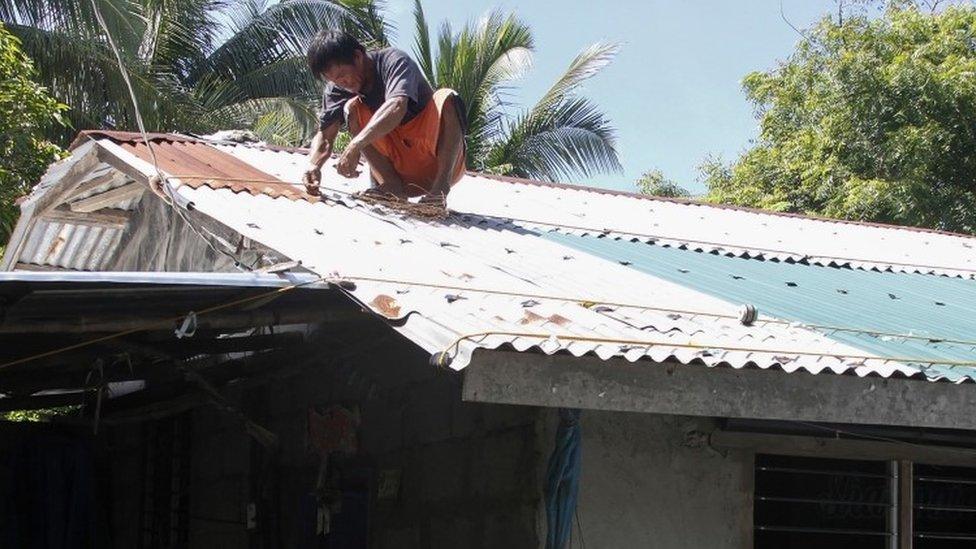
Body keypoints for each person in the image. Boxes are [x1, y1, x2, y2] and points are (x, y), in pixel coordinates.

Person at [302, 31, 466, 203]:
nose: (342, 83)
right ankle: (391, 186)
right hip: (404, 172)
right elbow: (325, 135)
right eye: (334, 80)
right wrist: (314, 165)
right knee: (352, 108)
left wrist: (356, 145)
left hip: (439, 162)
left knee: (447, 98)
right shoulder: (337, 89)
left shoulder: (394, 60)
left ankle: (438, 192)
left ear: (357, 56)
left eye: (342, 75)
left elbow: (397, 105)